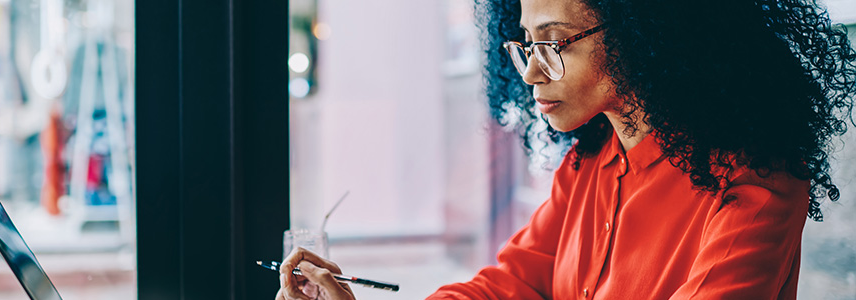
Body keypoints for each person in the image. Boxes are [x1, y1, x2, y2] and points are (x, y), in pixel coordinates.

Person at [276, 0, 856, 298]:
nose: (530, 70)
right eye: (526, 43)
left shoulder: (754, 180)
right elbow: (510, 286)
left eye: (554, 43)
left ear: (645, 31)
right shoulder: (588, 164)